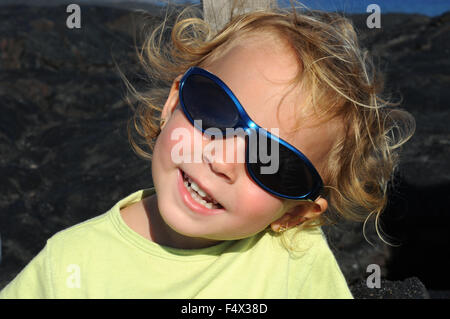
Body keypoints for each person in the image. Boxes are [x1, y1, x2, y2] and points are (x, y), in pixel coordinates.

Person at [0, 2, 415, 299]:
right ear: (172, 102)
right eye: (215, 111)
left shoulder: (299, 262)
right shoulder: (69, 265)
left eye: (275, 163)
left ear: (293, 215)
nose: (221, 160)